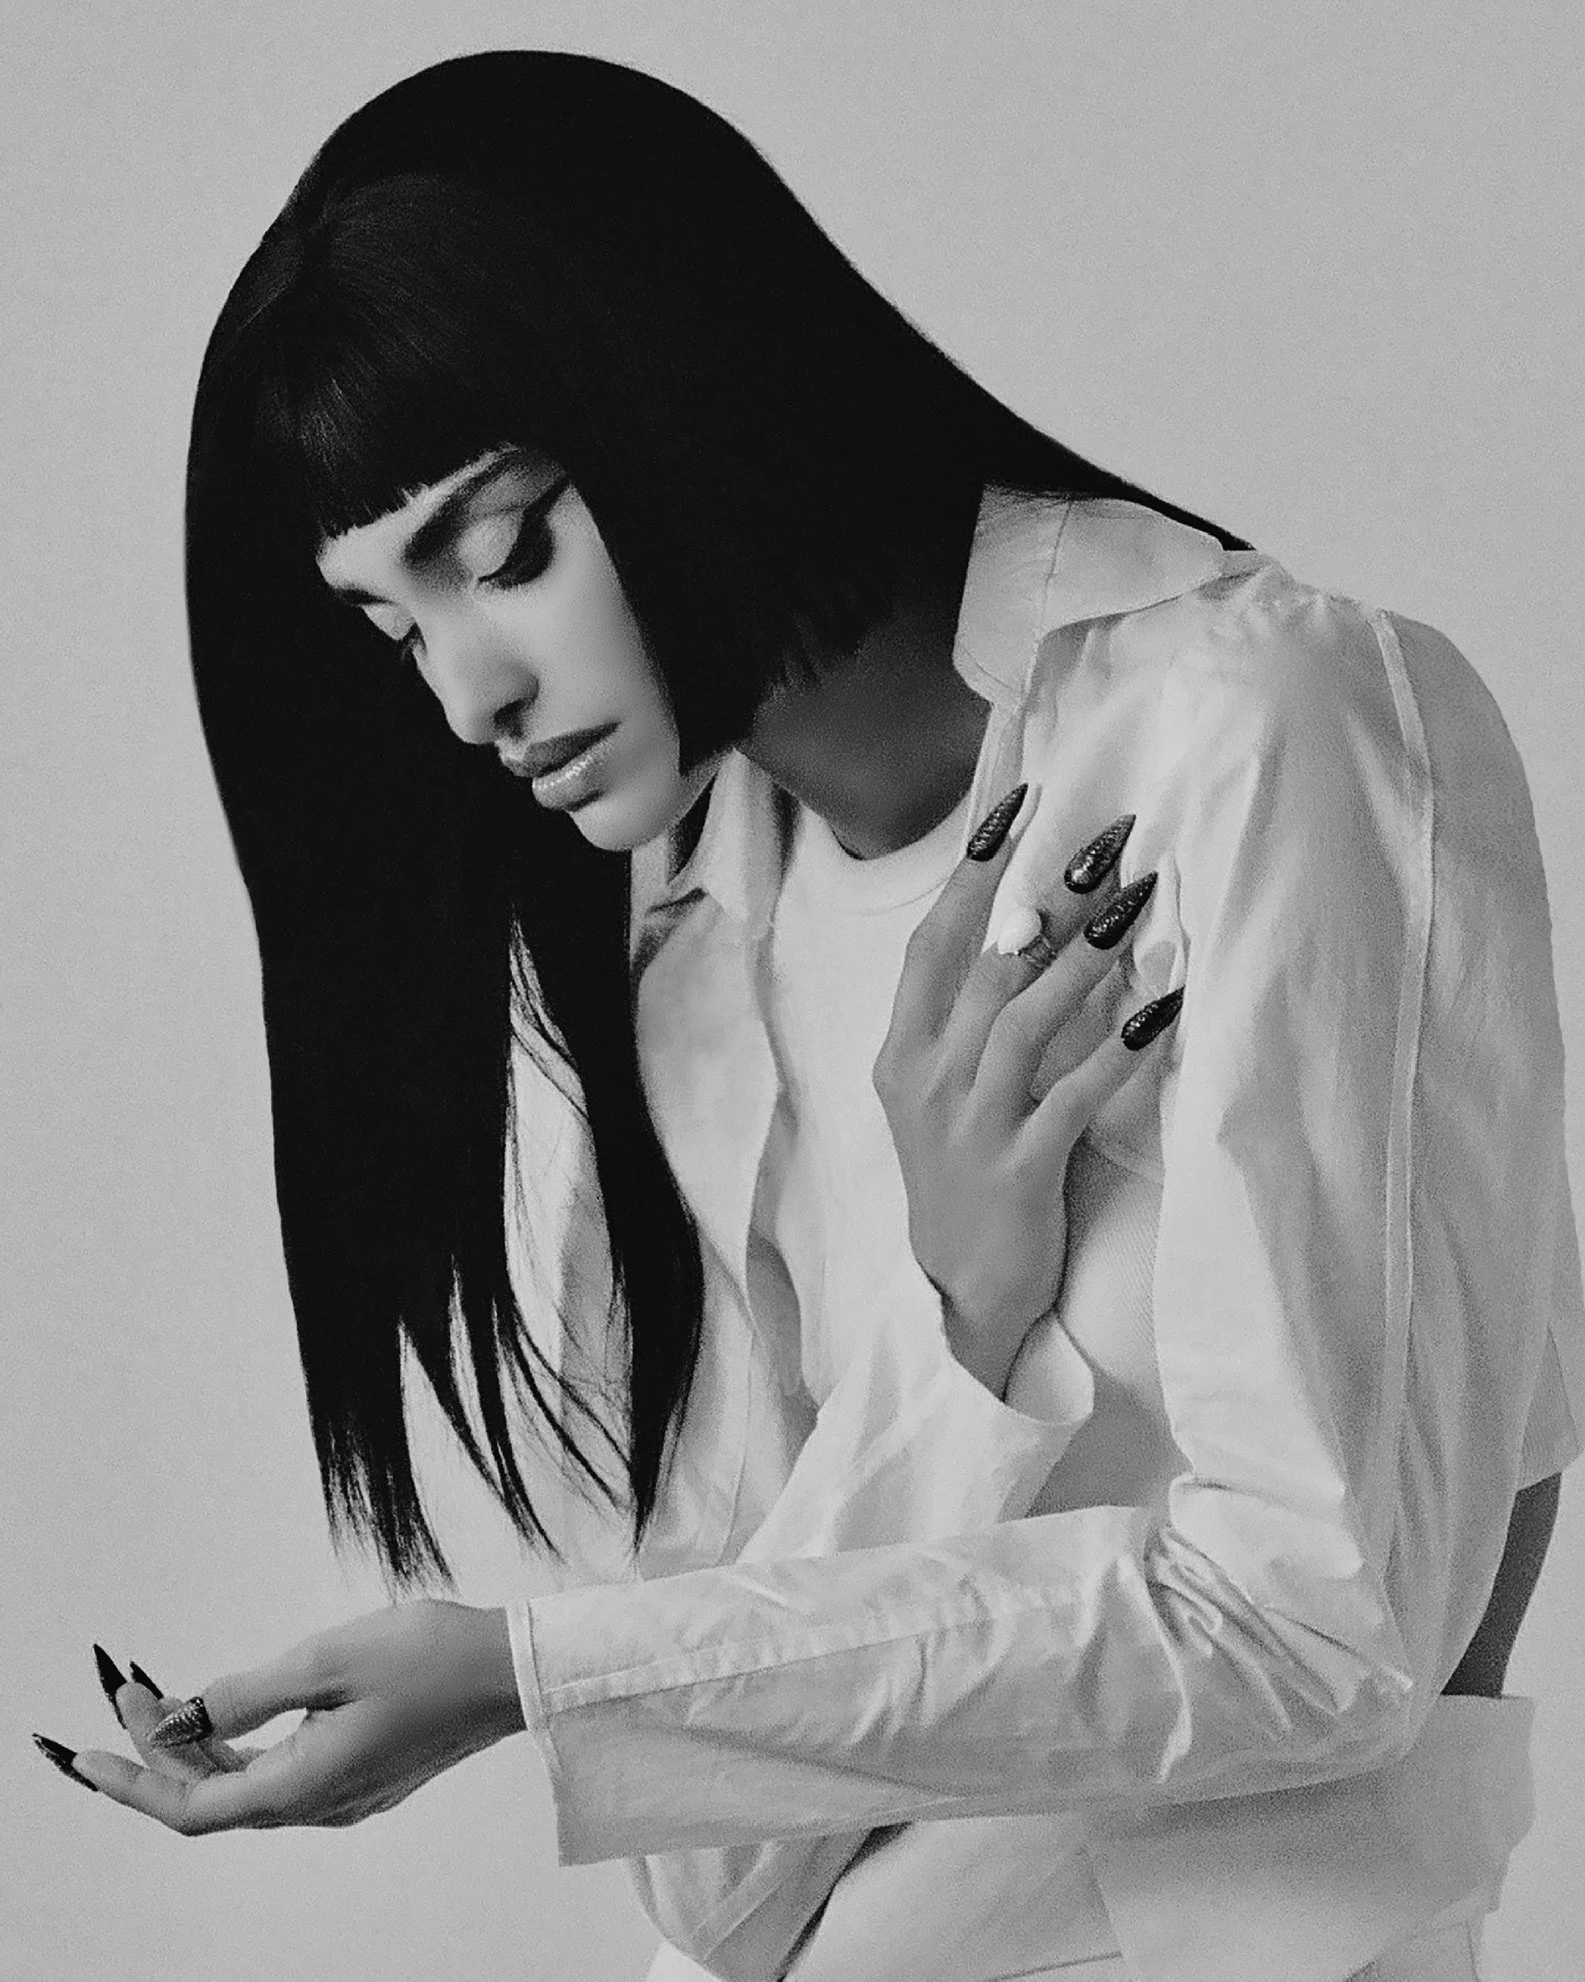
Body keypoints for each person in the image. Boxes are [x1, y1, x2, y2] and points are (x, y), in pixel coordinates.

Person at [34, 50, 1580, 1982]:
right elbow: (715, 1877)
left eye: (501, 550)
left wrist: (548, 1683)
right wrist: (956, 1330)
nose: (468, 698)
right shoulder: (674, 957)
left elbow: (1340, 1636)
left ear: (685, 376)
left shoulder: (1258, 733)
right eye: (397, 627)